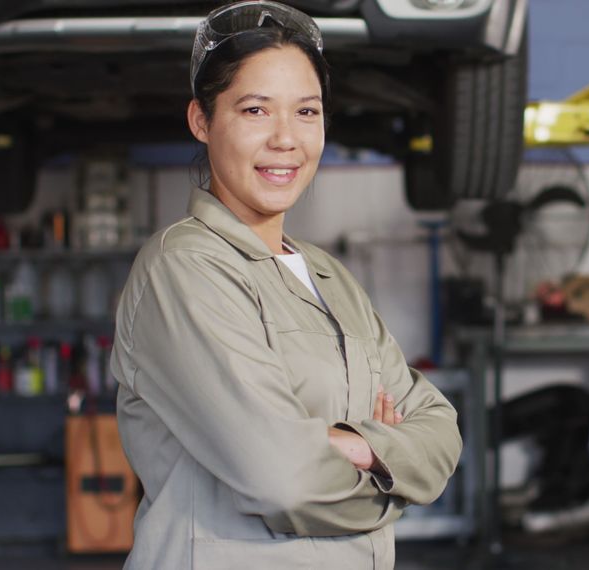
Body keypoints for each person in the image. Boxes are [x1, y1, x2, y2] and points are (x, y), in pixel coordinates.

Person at [109, 2, 462, 568]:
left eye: (306, 111)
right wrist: (392, 477)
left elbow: (441, 428)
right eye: (254, 110)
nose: (285, 139)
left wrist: (358, 448)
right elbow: (283, 478)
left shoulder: (330, 276)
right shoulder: (184, 269)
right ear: (202, 121)